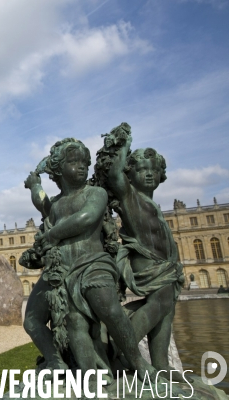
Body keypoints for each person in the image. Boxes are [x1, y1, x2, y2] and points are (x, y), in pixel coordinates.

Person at [24, 138, 155, 380]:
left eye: (84, 162)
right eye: (73, 162)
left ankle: (137, 362)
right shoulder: (54, 204)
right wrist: (35, 184)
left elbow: (87, 217)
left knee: (110, 310)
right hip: (60, 271)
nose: (82, 166)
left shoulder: (95, 193)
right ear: (58, 169)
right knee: (32, 320)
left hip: (93, 264)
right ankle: (55, 362)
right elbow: (41, 201)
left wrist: (52, 234)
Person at [103, 123, 184, 370]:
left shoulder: (153, 205)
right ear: (130, 174)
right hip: (147, 263)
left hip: (165, 264)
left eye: (154, 170)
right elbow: (115, 175)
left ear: (161, 174)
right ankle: (123, 347)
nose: (149, 174)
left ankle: (161, 365)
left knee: (166, 308)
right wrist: (124, 145)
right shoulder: (130, 197)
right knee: (160, 303)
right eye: (141, 170)